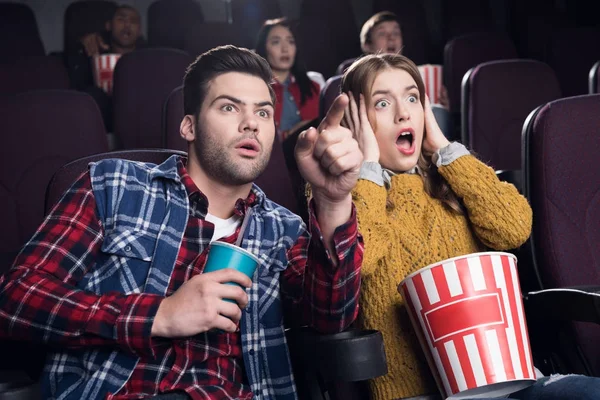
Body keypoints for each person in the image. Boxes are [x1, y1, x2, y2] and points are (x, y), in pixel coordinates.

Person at [0, 45, 364, 400]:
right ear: (188, 126)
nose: (251, 123)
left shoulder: (284, 229)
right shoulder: (111, 185)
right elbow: (15, 300)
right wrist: (159, 315)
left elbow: (330, 319)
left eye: (264, 113)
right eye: (228, 107)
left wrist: (332, 201)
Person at [341, 53, 599, 400]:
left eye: (413, 98)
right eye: (383, 102)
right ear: (357, 121)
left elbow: (513, 228)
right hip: (418, 392)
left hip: (507, 380)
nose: (404, 113)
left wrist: (444, 149)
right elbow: (359, 258)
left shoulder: (451, 174)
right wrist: (367, 167)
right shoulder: (343, 193)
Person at [65, 4, 144, 131]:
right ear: (108, 26)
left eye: (133, 21)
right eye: (121, 19)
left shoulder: (148, 59)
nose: (127, 25)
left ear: (140, 31)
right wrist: (81, 44)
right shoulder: (91, 54)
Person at [255, 18, 320, 141]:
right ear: (264, 48)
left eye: (291, 42)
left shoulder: (314, 87)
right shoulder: (255, 89)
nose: (285, 49)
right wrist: (289, 134)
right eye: (276, 42)